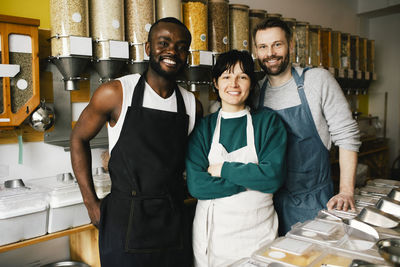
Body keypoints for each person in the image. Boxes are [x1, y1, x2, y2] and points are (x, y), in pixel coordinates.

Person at [70, 17, 202, 267]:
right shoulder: (117, 93)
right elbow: (78, 137)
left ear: (187, 54)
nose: (172, 51)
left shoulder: (192, 105)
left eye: (181, 46)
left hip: (172, 219)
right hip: (124, 218)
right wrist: (90, 203)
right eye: (164, 43)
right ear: (148, 48)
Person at [253, 18, 361, 235]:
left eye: (277, 44)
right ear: (256, 51)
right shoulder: (255, 92)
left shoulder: (317, 80)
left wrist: (346, 191)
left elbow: (347, 135)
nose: (270, 53)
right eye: (263, 47)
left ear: (290, 46)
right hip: (268, 207)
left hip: (315, 203)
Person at [186, 50, 287, 266]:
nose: (234, 84)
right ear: (215, 82)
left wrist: (223, 169)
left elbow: (273, 178)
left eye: (242, 76)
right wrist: (251, 181)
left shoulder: (268, 123)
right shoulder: (204, 127)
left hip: (257, 239)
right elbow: (197, 186)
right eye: (226, 77)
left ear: (251, 83)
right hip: (212, 245)